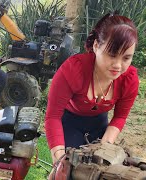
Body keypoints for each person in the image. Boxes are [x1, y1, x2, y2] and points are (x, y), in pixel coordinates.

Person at [45, 12, 139, 168]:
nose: (118, 65)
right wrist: (59, 161)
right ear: (96, 46)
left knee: (100, 169)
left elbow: (120, 117)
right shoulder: (73, 70)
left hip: (99, 122)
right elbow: (52, 117)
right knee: (67, 170)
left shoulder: (129, 79)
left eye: (126, 58)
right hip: (69, 121)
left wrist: (104, 149)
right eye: (112, 55)